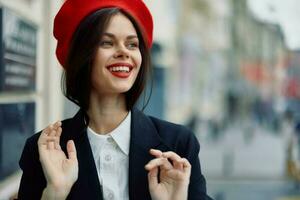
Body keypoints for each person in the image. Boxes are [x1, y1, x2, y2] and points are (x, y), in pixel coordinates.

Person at [17, 0, 211, 199]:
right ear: (81, 55)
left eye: (132, 44)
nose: (124, 52)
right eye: (107, 42)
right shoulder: (43, 151)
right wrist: (54, 193)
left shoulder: (178, 145)